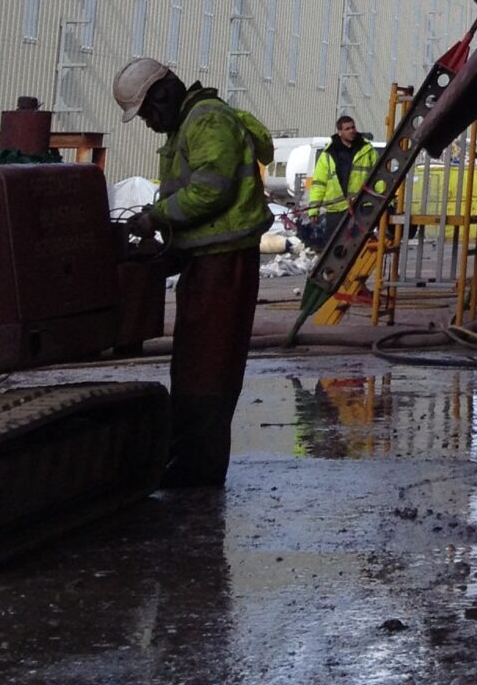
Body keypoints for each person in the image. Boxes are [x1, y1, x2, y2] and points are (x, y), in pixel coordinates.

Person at [113, 56, 273, 487]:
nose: (148, 123)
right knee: (196, 365)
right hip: (209, 262)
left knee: (209, 367)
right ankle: (190, 459)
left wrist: (155, 218)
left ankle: (198, 470)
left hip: (224, 265)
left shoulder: (206, 122)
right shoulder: (191, 125)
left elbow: (210, 189)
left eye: (147, 112)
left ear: (162, 95)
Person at [305, 113, 384, 323]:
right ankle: (333, 285)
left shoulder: (366, 150)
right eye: (347, 128)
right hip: (336, 209)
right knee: (334, 251)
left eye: (353, 127)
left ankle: (359, 287)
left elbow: (378, 178)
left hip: (360, 209)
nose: (352, 130)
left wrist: (384, 204)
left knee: (360, 251)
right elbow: (319, 183)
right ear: (339, 131)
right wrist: (314, 210)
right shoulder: (329, 154)